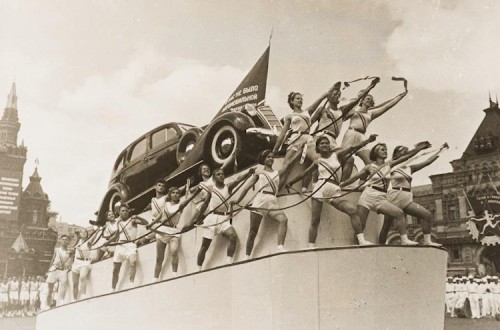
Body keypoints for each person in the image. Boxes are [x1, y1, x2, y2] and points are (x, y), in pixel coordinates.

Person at [288, 134, 377, 247]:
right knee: (315, 219)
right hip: (320, 189)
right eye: (322, 143)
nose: (325, 145)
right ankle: (311, 245)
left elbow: (352, 148)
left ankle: (361, 241)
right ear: (318, 147)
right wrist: (291, 183)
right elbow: (304, 174)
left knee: (352, 211)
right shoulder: (317, 161)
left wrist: (368, 140)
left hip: (334, 190)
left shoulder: (336, 155)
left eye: (326, 143)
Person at [341, 142, 431, 245]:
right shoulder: (369, 167)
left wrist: (419, 148)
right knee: (361, 225)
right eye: (382, 149)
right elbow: (356, 177)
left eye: (386, 149)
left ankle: (404, 240)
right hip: (368, 195)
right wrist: (343, 184)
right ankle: (357, 246)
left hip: (381, 197)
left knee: (399, 213)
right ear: (375, 152)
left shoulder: (389, 164)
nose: (385, 151)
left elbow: (407, 156)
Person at [232, 149, 299, 258]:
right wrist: (238, 201)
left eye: (272, 157)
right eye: (268, 157)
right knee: (253, 231)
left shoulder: (278, 172)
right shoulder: (260, 173)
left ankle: (280, 247)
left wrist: (299, 153)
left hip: (272, 201)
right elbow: (246, 188)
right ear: (263, 159)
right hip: (260, 201)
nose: (271, 159)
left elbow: (288, 165)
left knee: (283, 220)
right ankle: (247, 256)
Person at [378, 143, 448, 245]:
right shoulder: (392, 165)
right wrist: (418, 149)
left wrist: (440, 150)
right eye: (403, 152)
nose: (406, 154)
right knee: (386, 225)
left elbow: (427, 161)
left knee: (426, 215)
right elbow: (409, 156)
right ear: (396, 155)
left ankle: (427, 241)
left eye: (407, 152)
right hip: (395, 196)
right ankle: (381, 248)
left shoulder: (410, 168)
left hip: (406, 197)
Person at [272, 86, 340, 187]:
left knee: (319, 161)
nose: (300, 100)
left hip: (308, 140)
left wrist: (328, 93)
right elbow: (283, 133)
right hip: (295, 140)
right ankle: (275, 192)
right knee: (285, 169)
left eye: (301, 99)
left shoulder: (307, 112)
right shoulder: (289, 116)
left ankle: (315, 185)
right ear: (292, 101)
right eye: (297, 98)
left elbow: (319, 100)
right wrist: (275, 150)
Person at [313, 78, 380, 181]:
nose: (337, 96)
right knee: (318, 160)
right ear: (329, 96)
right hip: (320, 137)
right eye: (334, 94)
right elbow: (310, 121)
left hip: (333, 141)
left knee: (349, 159)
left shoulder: (342, 111)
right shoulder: (323, 109)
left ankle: (341, 185)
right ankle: (315, 183)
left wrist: (370, 86)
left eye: (338, 95)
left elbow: (357, 101)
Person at [341, 81, 408, 177]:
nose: (369, 100)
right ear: (362, 101)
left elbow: (387, 106)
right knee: (345, 158)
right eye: (367, 98)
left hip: (362, 137)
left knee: (371, 163)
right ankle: (342, 183)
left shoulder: (371, 114)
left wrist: (401, 96)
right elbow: (344, 114)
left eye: (371, 100)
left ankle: (362, 182)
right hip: (351, 133)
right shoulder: (354, 110)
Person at [196, 167, 255, 270]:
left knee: (233, 236)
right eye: (218, 174)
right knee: (204, 246)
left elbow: (237, 180)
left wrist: (248, 173)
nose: (221, 175)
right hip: (212, 218)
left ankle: (228, 261)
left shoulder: (228, 187)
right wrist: (199, 218)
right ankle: (198, 268)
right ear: (214, 177)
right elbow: (205, 204)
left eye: (222, 174)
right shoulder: (211, 189)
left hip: (224, 218)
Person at [147, 186, 190, 280]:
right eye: (173, 193)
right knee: (159, 258)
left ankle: (174, 274)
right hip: (162, 231)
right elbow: (160, 216)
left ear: (179, 195)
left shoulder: (180, 206)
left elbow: (188, 200)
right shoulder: (166, 204)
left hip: (173, 231)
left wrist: (190, 190)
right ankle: (155, 279)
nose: (175, 195)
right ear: (170, 195)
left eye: (177, 193)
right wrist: (151, 224)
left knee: (174, 251)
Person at [111, 204, 148, 291]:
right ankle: (112, 289)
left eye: (126, 211)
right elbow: (116, 235)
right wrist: (107, 243)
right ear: (119, 213)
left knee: (133, 261)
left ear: (129, 211)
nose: (124, 212)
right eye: (122, 211)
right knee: (115, 270)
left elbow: (146, 223)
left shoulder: (133, 220)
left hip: (130, 245)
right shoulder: (119, 223)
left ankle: (131, 284)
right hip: (120, 246)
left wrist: (138, 217)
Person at [47, 234, 73, 306]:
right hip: (54, 269)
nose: (64, 241)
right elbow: (52, 260)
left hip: (63, 271)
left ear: (68, 241)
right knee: (50, 289)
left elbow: (71, 261)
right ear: (60, 241)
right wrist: (48, 270)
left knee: (63, 287)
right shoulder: (57, 249)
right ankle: (47, 306)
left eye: (66, 240)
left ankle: (60, 304)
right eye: (63, 239)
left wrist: (69, 267)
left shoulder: (70, 251)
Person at [72, 229, 92, 300]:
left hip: (85, 262)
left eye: (85, 232)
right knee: (75, 284)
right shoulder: (77, 241)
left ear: (87, 234)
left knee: (83, 277)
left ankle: (83, 296)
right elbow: (72, 248)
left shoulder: (88, 242)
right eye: (82, 232)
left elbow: (94, 239)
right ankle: (74, 300)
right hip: (76, 262)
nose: (83, 233)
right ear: (79, 234)